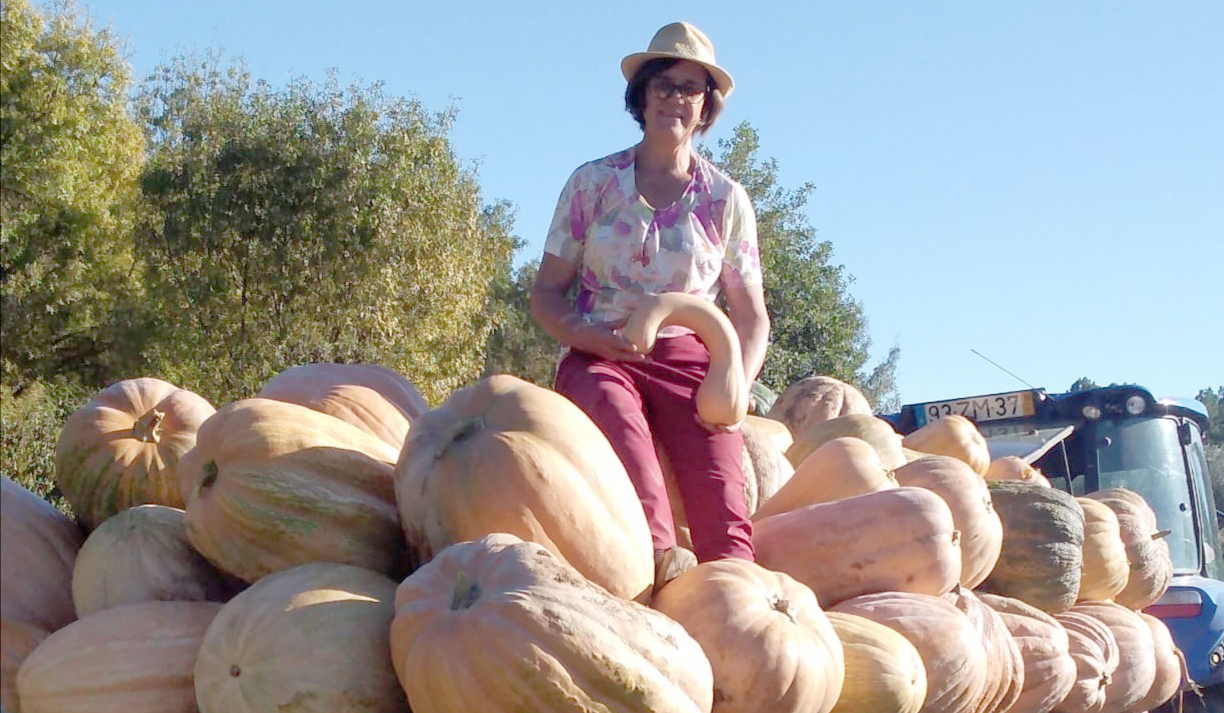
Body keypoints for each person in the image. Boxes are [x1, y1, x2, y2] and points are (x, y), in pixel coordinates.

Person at [529, 21, 769, 591]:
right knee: (620, 431)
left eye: (691, 88)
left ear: (706, 106)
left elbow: (750, 313)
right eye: (664, 84)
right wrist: (585, 338)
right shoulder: (592, 184)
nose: (675, 99)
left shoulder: (724, 198)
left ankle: (737, 597)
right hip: (601, 350)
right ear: (641, 96)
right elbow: (544, 294)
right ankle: (657, 573)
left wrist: (735, 378)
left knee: (722, 500)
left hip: (693, 358)